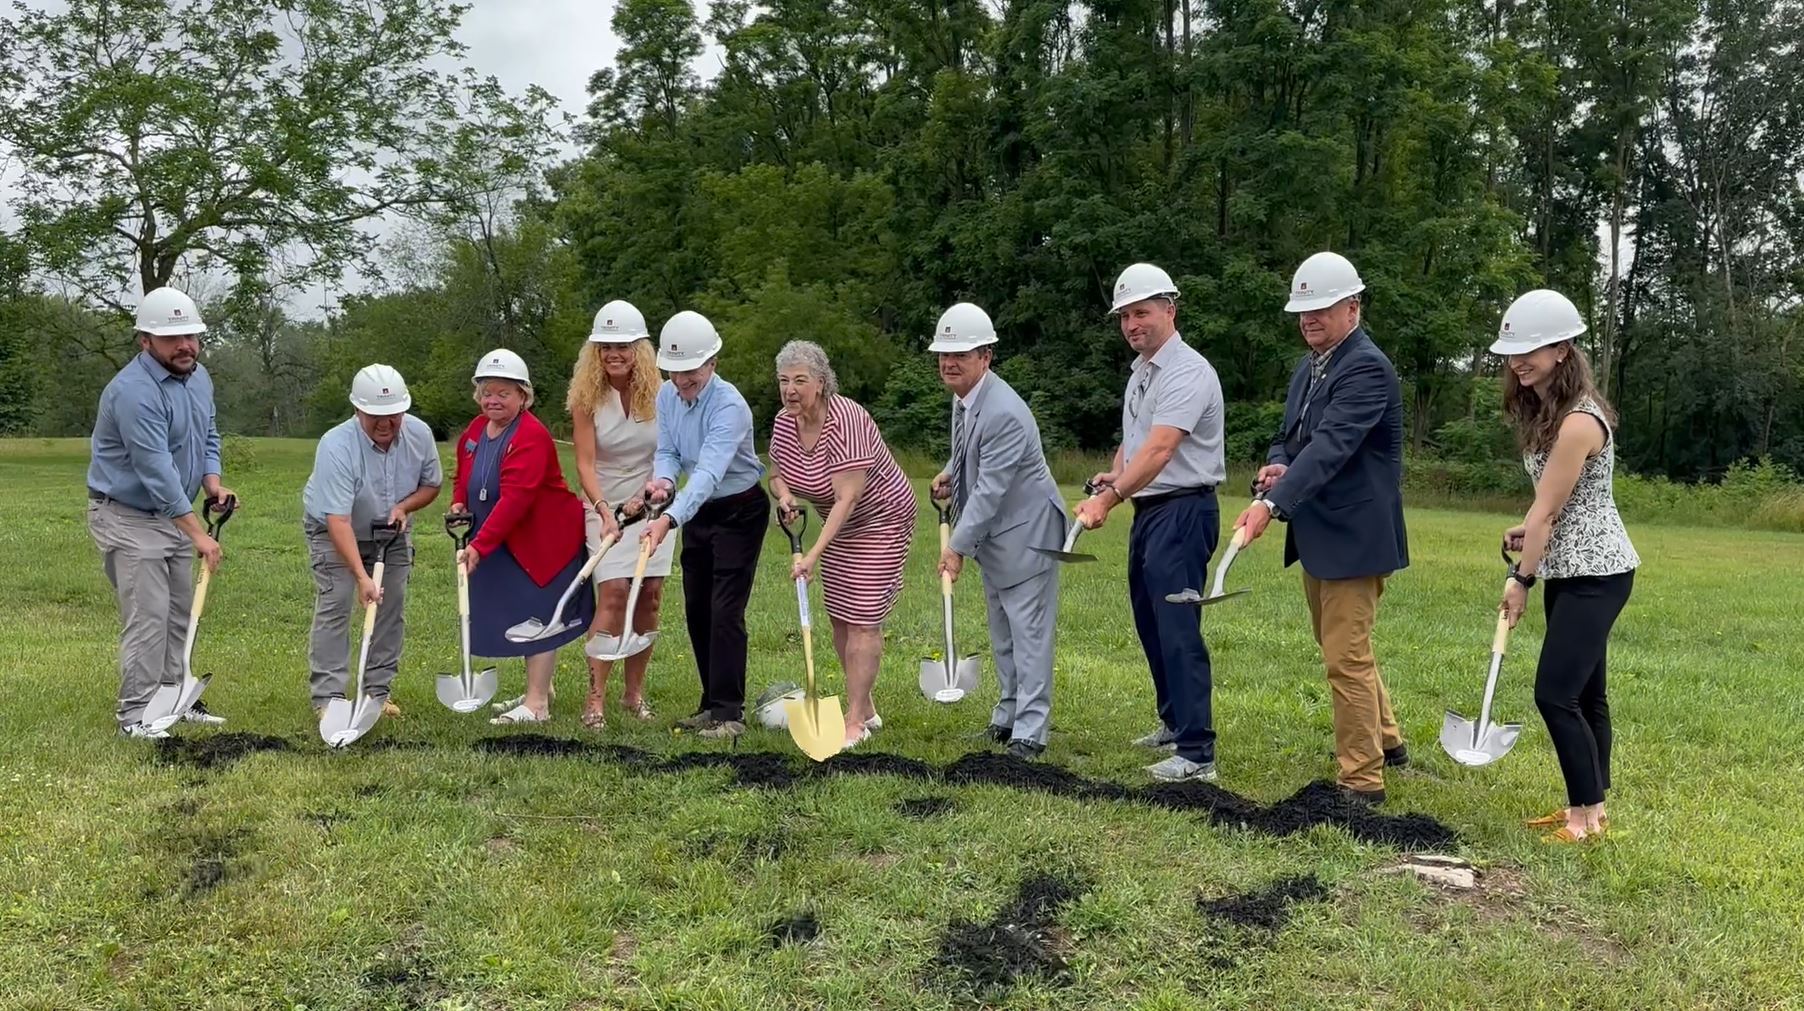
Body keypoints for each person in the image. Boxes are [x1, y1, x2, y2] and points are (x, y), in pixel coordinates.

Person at [1233, 251, 1409, 805]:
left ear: (1352, 308)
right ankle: (1388, 743)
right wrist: (1277, 463)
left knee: (1345, 656)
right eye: (1303, 312)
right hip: (1322, 531)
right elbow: (1293, 437)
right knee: (1344, 646)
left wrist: (1272, 505)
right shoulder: (1312, 365)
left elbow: (1333, 445)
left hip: (1355, 533)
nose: (1309, 320)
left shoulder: (1365, 367)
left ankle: (1362, 781)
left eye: (1321, 310)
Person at [1492, 289, 1639, 844]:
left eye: (1529, 349)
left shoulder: (1579, 421)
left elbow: (1548, 510)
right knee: (1586, 695)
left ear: (1561, 348)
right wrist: (1527, 533)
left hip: (1596, 573)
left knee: (1555, 695)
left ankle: (1583, 818)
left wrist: (1520, 578)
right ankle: (1592, 813)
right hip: (1574, 566)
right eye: (1511, 350)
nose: (1518, 361)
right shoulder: (1553, 411)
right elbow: (1551, 509)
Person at [1074, 263, 1228, 782]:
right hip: (1152, 510)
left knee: (1178, 625)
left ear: (1169, 310)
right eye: (1124, 316)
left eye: (1142, 312)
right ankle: (1173, 721)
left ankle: (1197, 752)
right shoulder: (1143, 370)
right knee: (1150, 620)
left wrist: (1110, 497)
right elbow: (1138, 438)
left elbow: (1162, 449)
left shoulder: (1187, 372)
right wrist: (1114, 472)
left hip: (1183, 510)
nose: (1132, 324)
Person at [87, 286, 236, 739]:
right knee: (149, 617)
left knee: (178, 613)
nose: (185, 345)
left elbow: (207, 432)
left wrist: (212, 481)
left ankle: (176, 698)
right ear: (145, 341)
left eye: (191, 335)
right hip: (127, 515)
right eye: (172, 338)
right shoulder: (133, 392)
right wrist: (199, 534)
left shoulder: (199, 377)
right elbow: (155, 471)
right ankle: (135, 715)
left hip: (170, 515)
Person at [929, 302, 1065, 761]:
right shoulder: (964, 398)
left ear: (986, 356)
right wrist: (950, 470)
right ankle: (1006, 716)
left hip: (1029, 533)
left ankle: (1031, 730)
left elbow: (989, 490)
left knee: (1029, 636)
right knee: (1002, 633)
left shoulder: (1005, 411)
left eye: (961, 355)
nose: (949, 363)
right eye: (944, 355)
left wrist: (957, 549)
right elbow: (969, 451)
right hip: (997, 537)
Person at [767, 339, 919, 749]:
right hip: (839, 524)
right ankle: (865, 705)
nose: (790, 390)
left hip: (881, 518)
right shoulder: (785, 422)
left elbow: (847, 497)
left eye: (800, 380)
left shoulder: (846, 419)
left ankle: (854, 721)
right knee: (840, 615)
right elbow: (777, 474)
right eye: (784, 381)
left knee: (864, 616)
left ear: (821, 382)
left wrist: (813, 554)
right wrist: (784, 496)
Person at [639, 311, 768, 741]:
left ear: (712, 362)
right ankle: (710, 704)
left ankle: (730, 713)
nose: (681, 381)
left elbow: (711, 471)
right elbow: (670, 451)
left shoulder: (729, 406)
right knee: (697, 609)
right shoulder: (666, 397)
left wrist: (669, 519)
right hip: (698, 511)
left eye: (689, 372)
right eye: (673, 372)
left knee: (725, 611)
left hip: (739, 510)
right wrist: (662, 481)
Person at [450, 349, 594, 725]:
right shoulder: (475, 430)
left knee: (538, 615)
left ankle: (537, 706)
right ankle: (540, 689)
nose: (493, 400)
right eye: (486, 392)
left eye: (504, 393)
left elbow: (516, 500)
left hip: (543, 541)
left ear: (523, 396)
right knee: (517, 611)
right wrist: (456, 504)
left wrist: (479, 545)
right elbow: (463, 475)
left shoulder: (531, 435)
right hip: (504, 539)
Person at [299, 364, 441, 720]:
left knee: (389, 609)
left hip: (392, 532)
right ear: (357, 410)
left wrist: (404, 507)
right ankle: (329, 698)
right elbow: (338, 520)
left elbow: (431, 485)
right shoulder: (336, 445)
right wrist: (362, 577)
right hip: (334, 530)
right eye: (375, 415)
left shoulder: (420, 434)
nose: (384, 424)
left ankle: (376, 694)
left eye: (393, 415)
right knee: (337, 602)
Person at [567, 300, 673, 730]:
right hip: (603, 505)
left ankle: (634, 694)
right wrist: (604, 511)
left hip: (652, 502)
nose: (614, 353)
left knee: (648, 595)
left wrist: (655, 492)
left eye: (623, 345)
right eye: (605, 345)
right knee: (613, 592)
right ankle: (595, 700)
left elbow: (670, 451)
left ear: (639, 349)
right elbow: (585, 465)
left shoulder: (663, 394)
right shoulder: (586, 398)